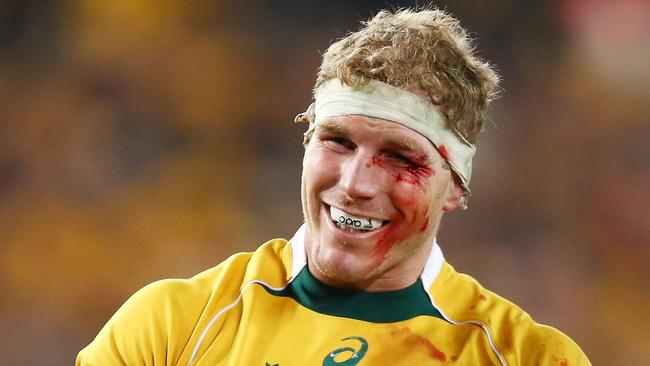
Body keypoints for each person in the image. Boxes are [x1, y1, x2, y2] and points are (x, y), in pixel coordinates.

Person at [77, 8, 591, 366]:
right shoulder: (171, 330)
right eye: (338, 142)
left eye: (398, 157)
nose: (354, 184)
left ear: (454, 185)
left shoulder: (527, 356)